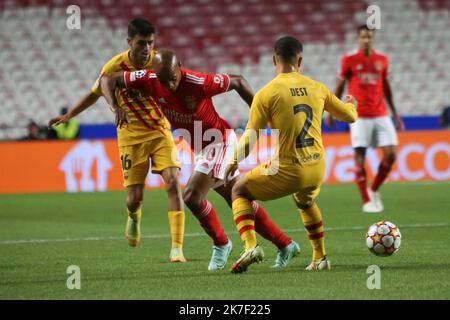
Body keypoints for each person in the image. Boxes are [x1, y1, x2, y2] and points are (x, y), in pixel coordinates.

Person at [101, 50, 300, 271]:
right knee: (238, 198)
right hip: (201, 148)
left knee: (192, 196)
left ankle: (221, 243)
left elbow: (238, 81)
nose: (169, 86)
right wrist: (114, 106)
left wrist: (261, 118)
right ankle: (285, 244)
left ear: (180, 68)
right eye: (163, 81)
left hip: (220, 140)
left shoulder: (198, 82)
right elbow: (108, 79)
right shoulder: (148, 79)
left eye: (173, 79)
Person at [48, 19, 187, 263]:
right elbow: (96, 92)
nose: (147, 48)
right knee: (135, 198)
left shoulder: (159, 63)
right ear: (129, 42)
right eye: (141, 43)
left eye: (151, 43)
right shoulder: (114, 65)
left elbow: (179, 84)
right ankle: (133, 217)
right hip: (131, 136)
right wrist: (70, 114)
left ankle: (177, 248)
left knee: (174, 182)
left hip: (160, 131)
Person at [224, 36, 357, 273]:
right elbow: (350, 117)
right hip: (317, 167)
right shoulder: (318, 87)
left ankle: (250, 246)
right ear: (300, 60)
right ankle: (320, 257)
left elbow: (251, 137)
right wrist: (351, 103)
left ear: (274, 59)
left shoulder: (267, 93)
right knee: (305, 201)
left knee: (238, 190)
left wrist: (233, 161)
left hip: (289, 170)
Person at [325, 24, 404, 213]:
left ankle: (374, 189)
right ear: (358, 38)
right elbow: (339, 86)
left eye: (369, 37)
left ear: (373, 38)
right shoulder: (349, 59)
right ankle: (366, 200)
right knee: (359, 157)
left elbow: (386, 87)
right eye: (363, 37)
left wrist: (395, 114)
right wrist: (331, 111)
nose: (366, 40)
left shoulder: (382, 59)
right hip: (359, 115)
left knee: (391, 154)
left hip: (381, 113)